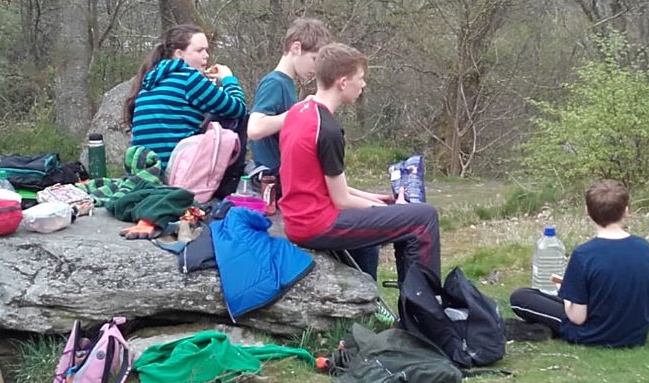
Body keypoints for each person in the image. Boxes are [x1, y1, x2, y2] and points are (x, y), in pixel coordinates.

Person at [278, 43, 440, 282]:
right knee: (423, 218)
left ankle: (370, 303)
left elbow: (318, 182)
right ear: (343, 82)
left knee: (387, 222)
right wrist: (392, 211)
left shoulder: (298, 112)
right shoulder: (328, 129)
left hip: (298, 218)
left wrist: (373, 199)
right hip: (316, 224)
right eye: (360, 78)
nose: (363, 85)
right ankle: (423, 309)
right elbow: (341, 200)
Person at [507, 179, 649, 348]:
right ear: (626, 211)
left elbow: (577, 317)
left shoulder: (584, 254)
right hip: (636, 333)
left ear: (587, 212)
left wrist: (566, 296)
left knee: (520, 297)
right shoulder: (644, 248)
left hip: (592, 334)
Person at [124, 23, 250, 166]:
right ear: (179, 54)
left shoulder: (151, 79)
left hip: (147, 168)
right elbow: (239, 108)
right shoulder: (189, 78)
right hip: (176, 169)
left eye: (206, 50)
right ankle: (231, 181)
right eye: (199, 51)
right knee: (235, 116)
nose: (206, 56)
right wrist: (228, 79)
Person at [246, 17, 332, 186]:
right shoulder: (274, 83)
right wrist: (300, 110)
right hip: (271, 180)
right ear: (296, 48)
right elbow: (255, 129)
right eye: (314, 59)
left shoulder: (287, 84)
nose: (316, 69)